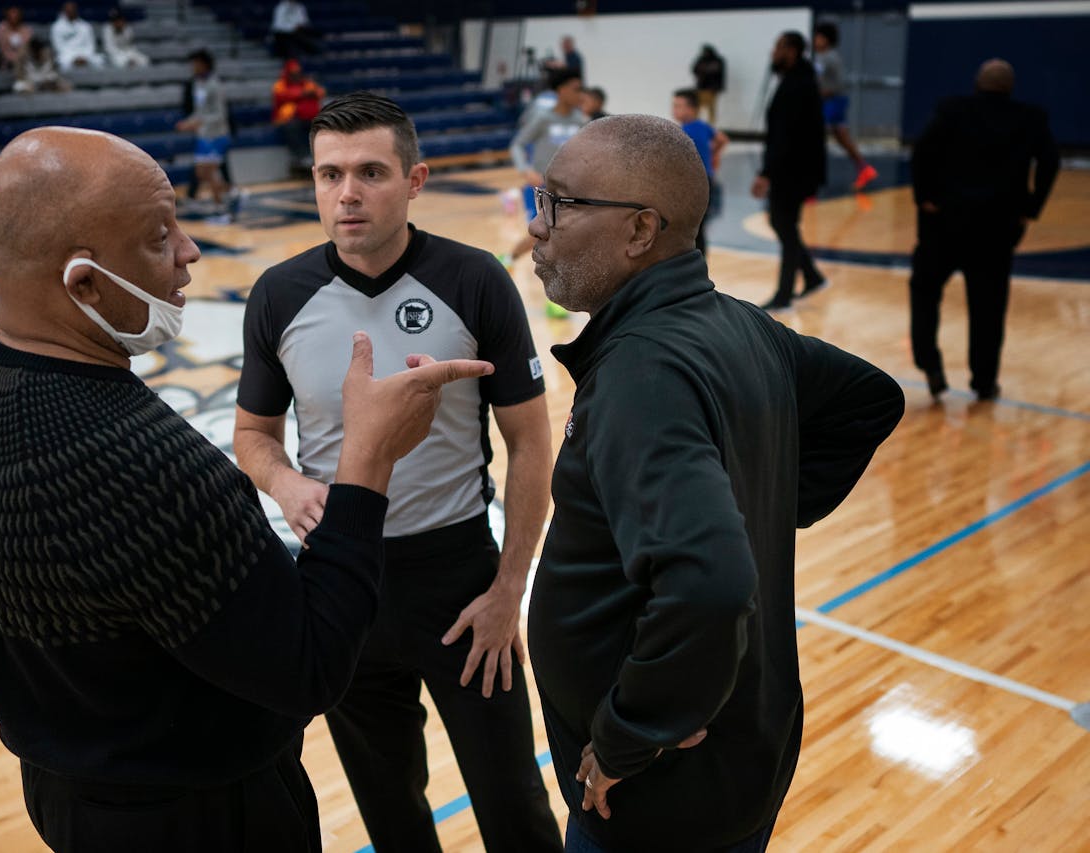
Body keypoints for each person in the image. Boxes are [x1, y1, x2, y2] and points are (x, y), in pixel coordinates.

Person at [0, 124, 494, 851]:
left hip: (65, 790)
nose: (190, 252)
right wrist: (368, 459)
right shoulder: (147, 468)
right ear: (85, 281)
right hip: (204, 815)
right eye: (160, 237)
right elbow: (310, 667)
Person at [524, 114, 905, 853]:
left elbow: (710, 583)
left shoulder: (644, 372)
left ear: (639, 231)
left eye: (560, 204)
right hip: (742, 753)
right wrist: (760, 502)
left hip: (657, 795)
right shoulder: (740, 323)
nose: (539, 227)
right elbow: (869, 398)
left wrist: (633, 734)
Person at [235, 91, 562, 853]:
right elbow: (253, 433)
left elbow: (532, 443)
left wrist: (509, 587)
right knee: (390, 808)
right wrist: (286, 485)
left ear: (416, 181)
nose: (346, 193)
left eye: (370, 172)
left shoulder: (475, 278)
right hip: (341, 581)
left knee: (513, 800)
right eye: (329, 175)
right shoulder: (280, 295)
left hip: (460, 579)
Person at [908, 58, 1059, 402]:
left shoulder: (951, 110)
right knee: (989, 308)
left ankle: (930, 365)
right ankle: (984, 382)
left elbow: (922, 152)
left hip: (944, 223)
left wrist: (925, 197)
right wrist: (1030, 208)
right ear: (1010, 86)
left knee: (925, 292)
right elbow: (1050, 162)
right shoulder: (1030, 118)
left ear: (977, 81)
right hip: (996, 228)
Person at [753, 31, 828, 312]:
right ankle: (811, 275)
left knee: (784, 225)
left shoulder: (797, 85)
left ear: (792, 51)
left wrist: (766, 173)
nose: (773, 53)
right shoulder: (800, 79)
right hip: (797, 168)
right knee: (783, 225)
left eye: (778, 47)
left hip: (793, 170)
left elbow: (786, 136)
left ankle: (784, 295)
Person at [504, 67, 587, 310]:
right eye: (576, 88)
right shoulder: (542, 118)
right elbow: (518, 145)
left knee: (555, 237)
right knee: (544, 235)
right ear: (561, 91)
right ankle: (512, 260)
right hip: (540, 188)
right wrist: (525, 170)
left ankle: (552, 297)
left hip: (568, 191)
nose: (580, 93)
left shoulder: (580, 121)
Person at [813, 22, 876, 191]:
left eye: (818, 37)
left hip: (834, 102)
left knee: (816, 136)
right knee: (842, 137)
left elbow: (839, 83)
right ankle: (864, 167)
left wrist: (824, 93)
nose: (815, 40)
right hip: (831, 102)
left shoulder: (830, 57)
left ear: (826, 40)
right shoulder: (820, 57)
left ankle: (812, 175)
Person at [176, 49, 235, 223]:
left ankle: (222, 209)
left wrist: (198, 122)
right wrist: (189, 122)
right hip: (204, 134)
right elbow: (200, 111)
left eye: (195, 63)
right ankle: (234, 194)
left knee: (209, 172)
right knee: (200, 172)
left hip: (215, 134)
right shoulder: (198, 84)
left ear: (204, 64)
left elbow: (219, 114)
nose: (192, 67)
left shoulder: (215, 85)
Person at [672, 88, 727, 257]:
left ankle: (696, 266)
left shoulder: (686, 131)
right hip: (706, 180)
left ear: (692, 109)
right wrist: (714, 155)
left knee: (693, 230)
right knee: (699, 229)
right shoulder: (703, 126)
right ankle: (700, 267)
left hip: (696, 183)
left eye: (678, 106)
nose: (674, 110)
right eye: (674, 106)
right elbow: (722, 139)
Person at [270, 58, 322, 172]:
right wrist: (302, 94)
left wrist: (304, 95)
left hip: (307, 118)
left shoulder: (306, 82)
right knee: (292, 127)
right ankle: (300, 157)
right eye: (293, 73)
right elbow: (282, 96)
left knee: (321, 126)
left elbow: (319, 92)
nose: (295, 75)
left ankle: (318, 157)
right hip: (286, 120)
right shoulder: (280, 84)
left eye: (297, 73)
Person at [49, 2, 102, 71]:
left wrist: (84, 57)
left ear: (76, 10)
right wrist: (74, 59)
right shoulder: (56, 27)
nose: (70, 12)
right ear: (64, 11)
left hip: (85, 55)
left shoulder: (85, 26)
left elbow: (91, 45)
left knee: (99, 60)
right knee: (62, 62)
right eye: (68, 10)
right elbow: (58, 47)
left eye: (72, 10)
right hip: (67, 56)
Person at [692, 44, 725, 125]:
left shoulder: (717, 61)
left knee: (711, 108)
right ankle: (696, 125)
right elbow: (694, 69)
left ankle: (710, 126)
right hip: (701, 87)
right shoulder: (701, 60)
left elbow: (717, 73)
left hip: (711, 88)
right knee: (697, 107)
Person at [0, 5, 33, 69]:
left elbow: (27, 47)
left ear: (20, 16)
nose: (14, 17)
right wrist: (14, 59)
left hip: (24, 61)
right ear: (7, 15)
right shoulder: (1, 29)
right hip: (7, 62)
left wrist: (19, 59)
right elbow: (3, 49)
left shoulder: (27, 30)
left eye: (16, 14)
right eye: (11, 14)